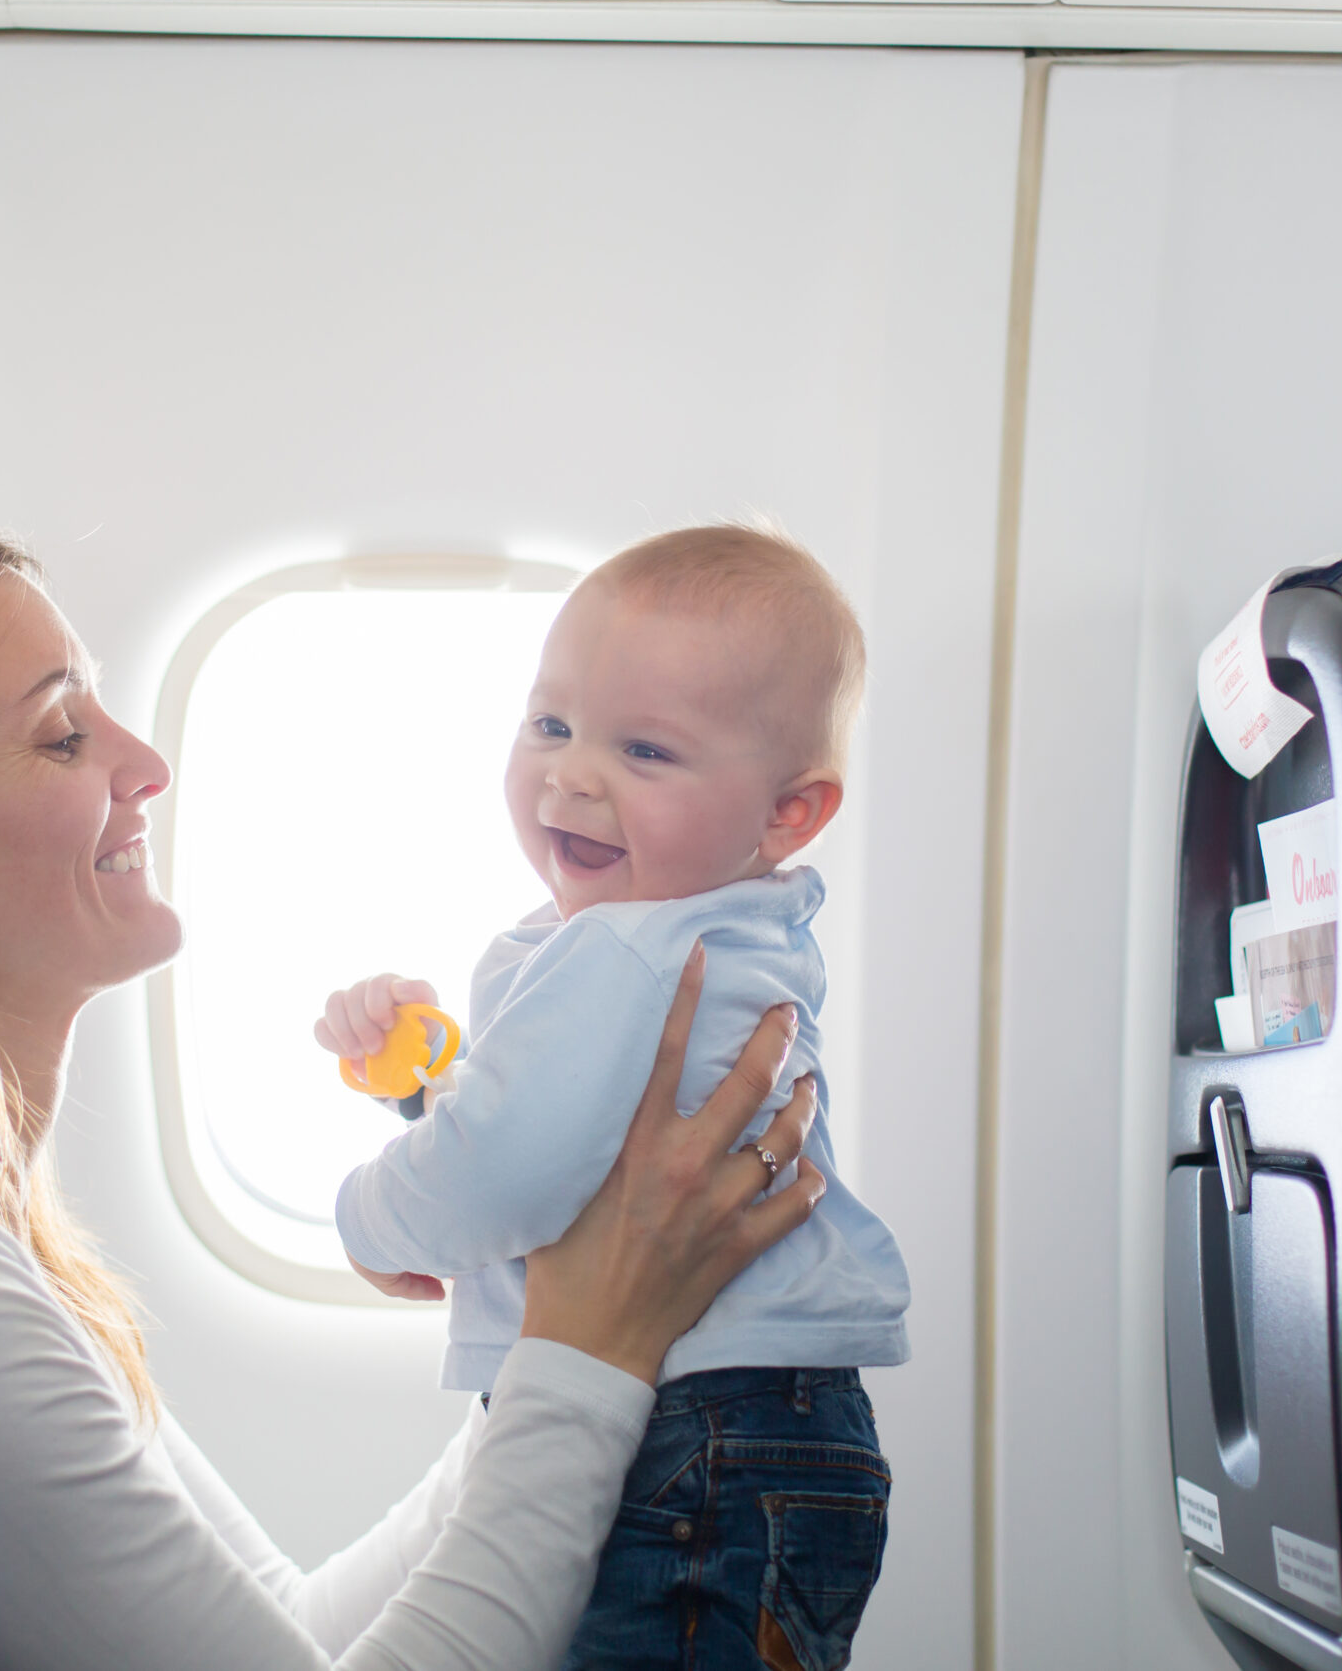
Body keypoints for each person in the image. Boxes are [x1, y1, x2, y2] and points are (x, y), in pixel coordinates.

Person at [0, 518, 828, 1671]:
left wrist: (582, 1320)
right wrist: (587, 1345)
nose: (144, 762)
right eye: (62, 733)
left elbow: (290, 1630)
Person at [315, 524, 911, 1671]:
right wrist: (423, 1082)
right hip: (757, 1435)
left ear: (788, 812)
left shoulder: (625, 955)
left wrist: (368, 1218)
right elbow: (570, 1139)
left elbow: (506, 1171)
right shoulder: (711, 933)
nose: (571, 773)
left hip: (689, 1439)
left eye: (644, 750)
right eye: (550, 724)